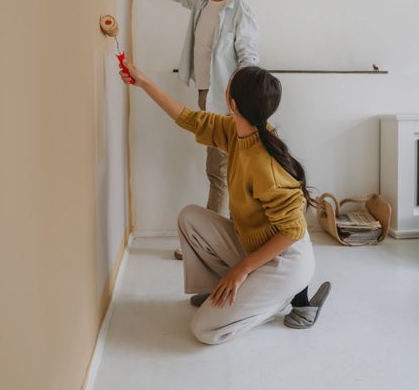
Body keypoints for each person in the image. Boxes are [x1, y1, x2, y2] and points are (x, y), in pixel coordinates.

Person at [119, 59, 331, 342]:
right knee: (189, 217)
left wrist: (241, 271)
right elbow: (188, 119)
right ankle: (231, 289)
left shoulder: (265, 165)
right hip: (255, 245)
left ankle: (285, 298)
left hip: (285, 260)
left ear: (232, 102)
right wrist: (142, 80)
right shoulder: (237, 130)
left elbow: (292, 231)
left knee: (204, 330)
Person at [144, 0, 258, 259]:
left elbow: (249, 57)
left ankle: (212, 245)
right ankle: (220, 241)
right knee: (219, 170)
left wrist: (243, 104)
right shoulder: (199, 1)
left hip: (230, 100)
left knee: (221, 171)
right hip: (206, 95)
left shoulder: (239, 11)